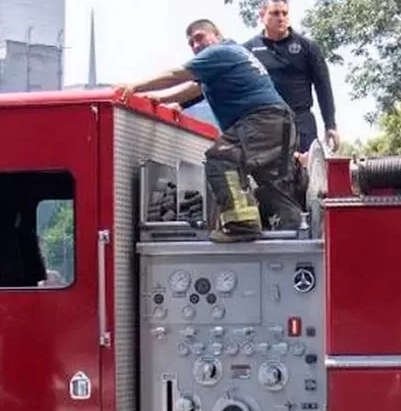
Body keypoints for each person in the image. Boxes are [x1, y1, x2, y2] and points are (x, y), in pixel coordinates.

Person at [116, 18, 303, 243]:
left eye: (199, 38)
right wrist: (160, 99)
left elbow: (178, 74)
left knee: (221, 157)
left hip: (262, 120)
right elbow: (194, 89)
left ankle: (241, 224)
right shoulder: (233, 55)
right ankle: (293, 238)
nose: (195, 46)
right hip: (280, 123)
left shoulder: (220, 52)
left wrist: (134, 86)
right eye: (191, 43)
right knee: (274, 187)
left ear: (216, 35)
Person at [244, 0, 340, 154]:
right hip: (265, 124)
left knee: (304, 174)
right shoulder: (247, 50)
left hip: (301, 122)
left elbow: (323, 87)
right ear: (262, 15)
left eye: (284, 13)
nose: (281, 18)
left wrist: (330, 125)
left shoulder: (307, 47)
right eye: (275, 13)